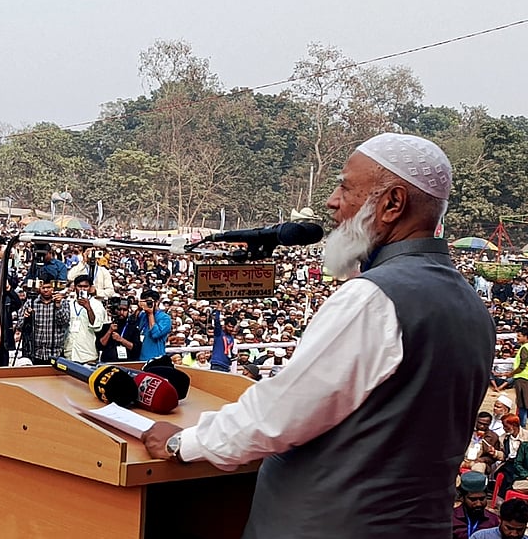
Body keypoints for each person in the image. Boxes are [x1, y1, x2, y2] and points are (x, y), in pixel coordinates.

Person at [142, 132, 495, 537]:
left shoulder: (373, 298)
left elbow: (278, 416)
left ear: (392, 204)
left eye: (345, 186)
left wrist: (182, 444)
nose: (332, 201)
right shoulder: (471, 305)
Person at [17, 278, 69, 365]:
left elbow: (64, 322)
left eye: (48, 287)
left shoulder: (63, 303)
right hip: (35, 352)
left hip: (55, 352)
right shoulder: (31, 303)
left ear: (53, 287)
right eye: (43, 287)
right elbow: (20, 325)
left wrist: (58, 306)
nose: (45, 290)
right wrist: (26, 317)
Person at [61, 274, 107, 365]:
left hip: (87, 354)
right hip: (69, 352)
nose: (82, 289)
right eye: (79, 286)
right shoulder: (69, 303)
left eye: (85, 286)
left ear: (90, 288)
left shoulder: (97, 304)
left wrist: (88, 307)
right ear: (75, 287)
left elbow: (97, 326)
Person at [454, 471, 498, 539]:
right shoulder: (452, 519)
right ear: (462, 498)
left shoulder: (493, 520)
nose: (478, 504)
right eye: (473, 500)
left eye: (482, 499)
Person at [136, 290, 171, 361]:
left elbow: (155, 334)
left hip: (155, 358)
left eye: (149, 302)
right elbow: (131, 322)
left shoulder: (165, 318)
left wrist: (150, 314)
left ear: (157, 302)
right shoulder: (143, 315)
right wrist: (139, 309)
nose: (147, 304)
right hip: (139, 357)